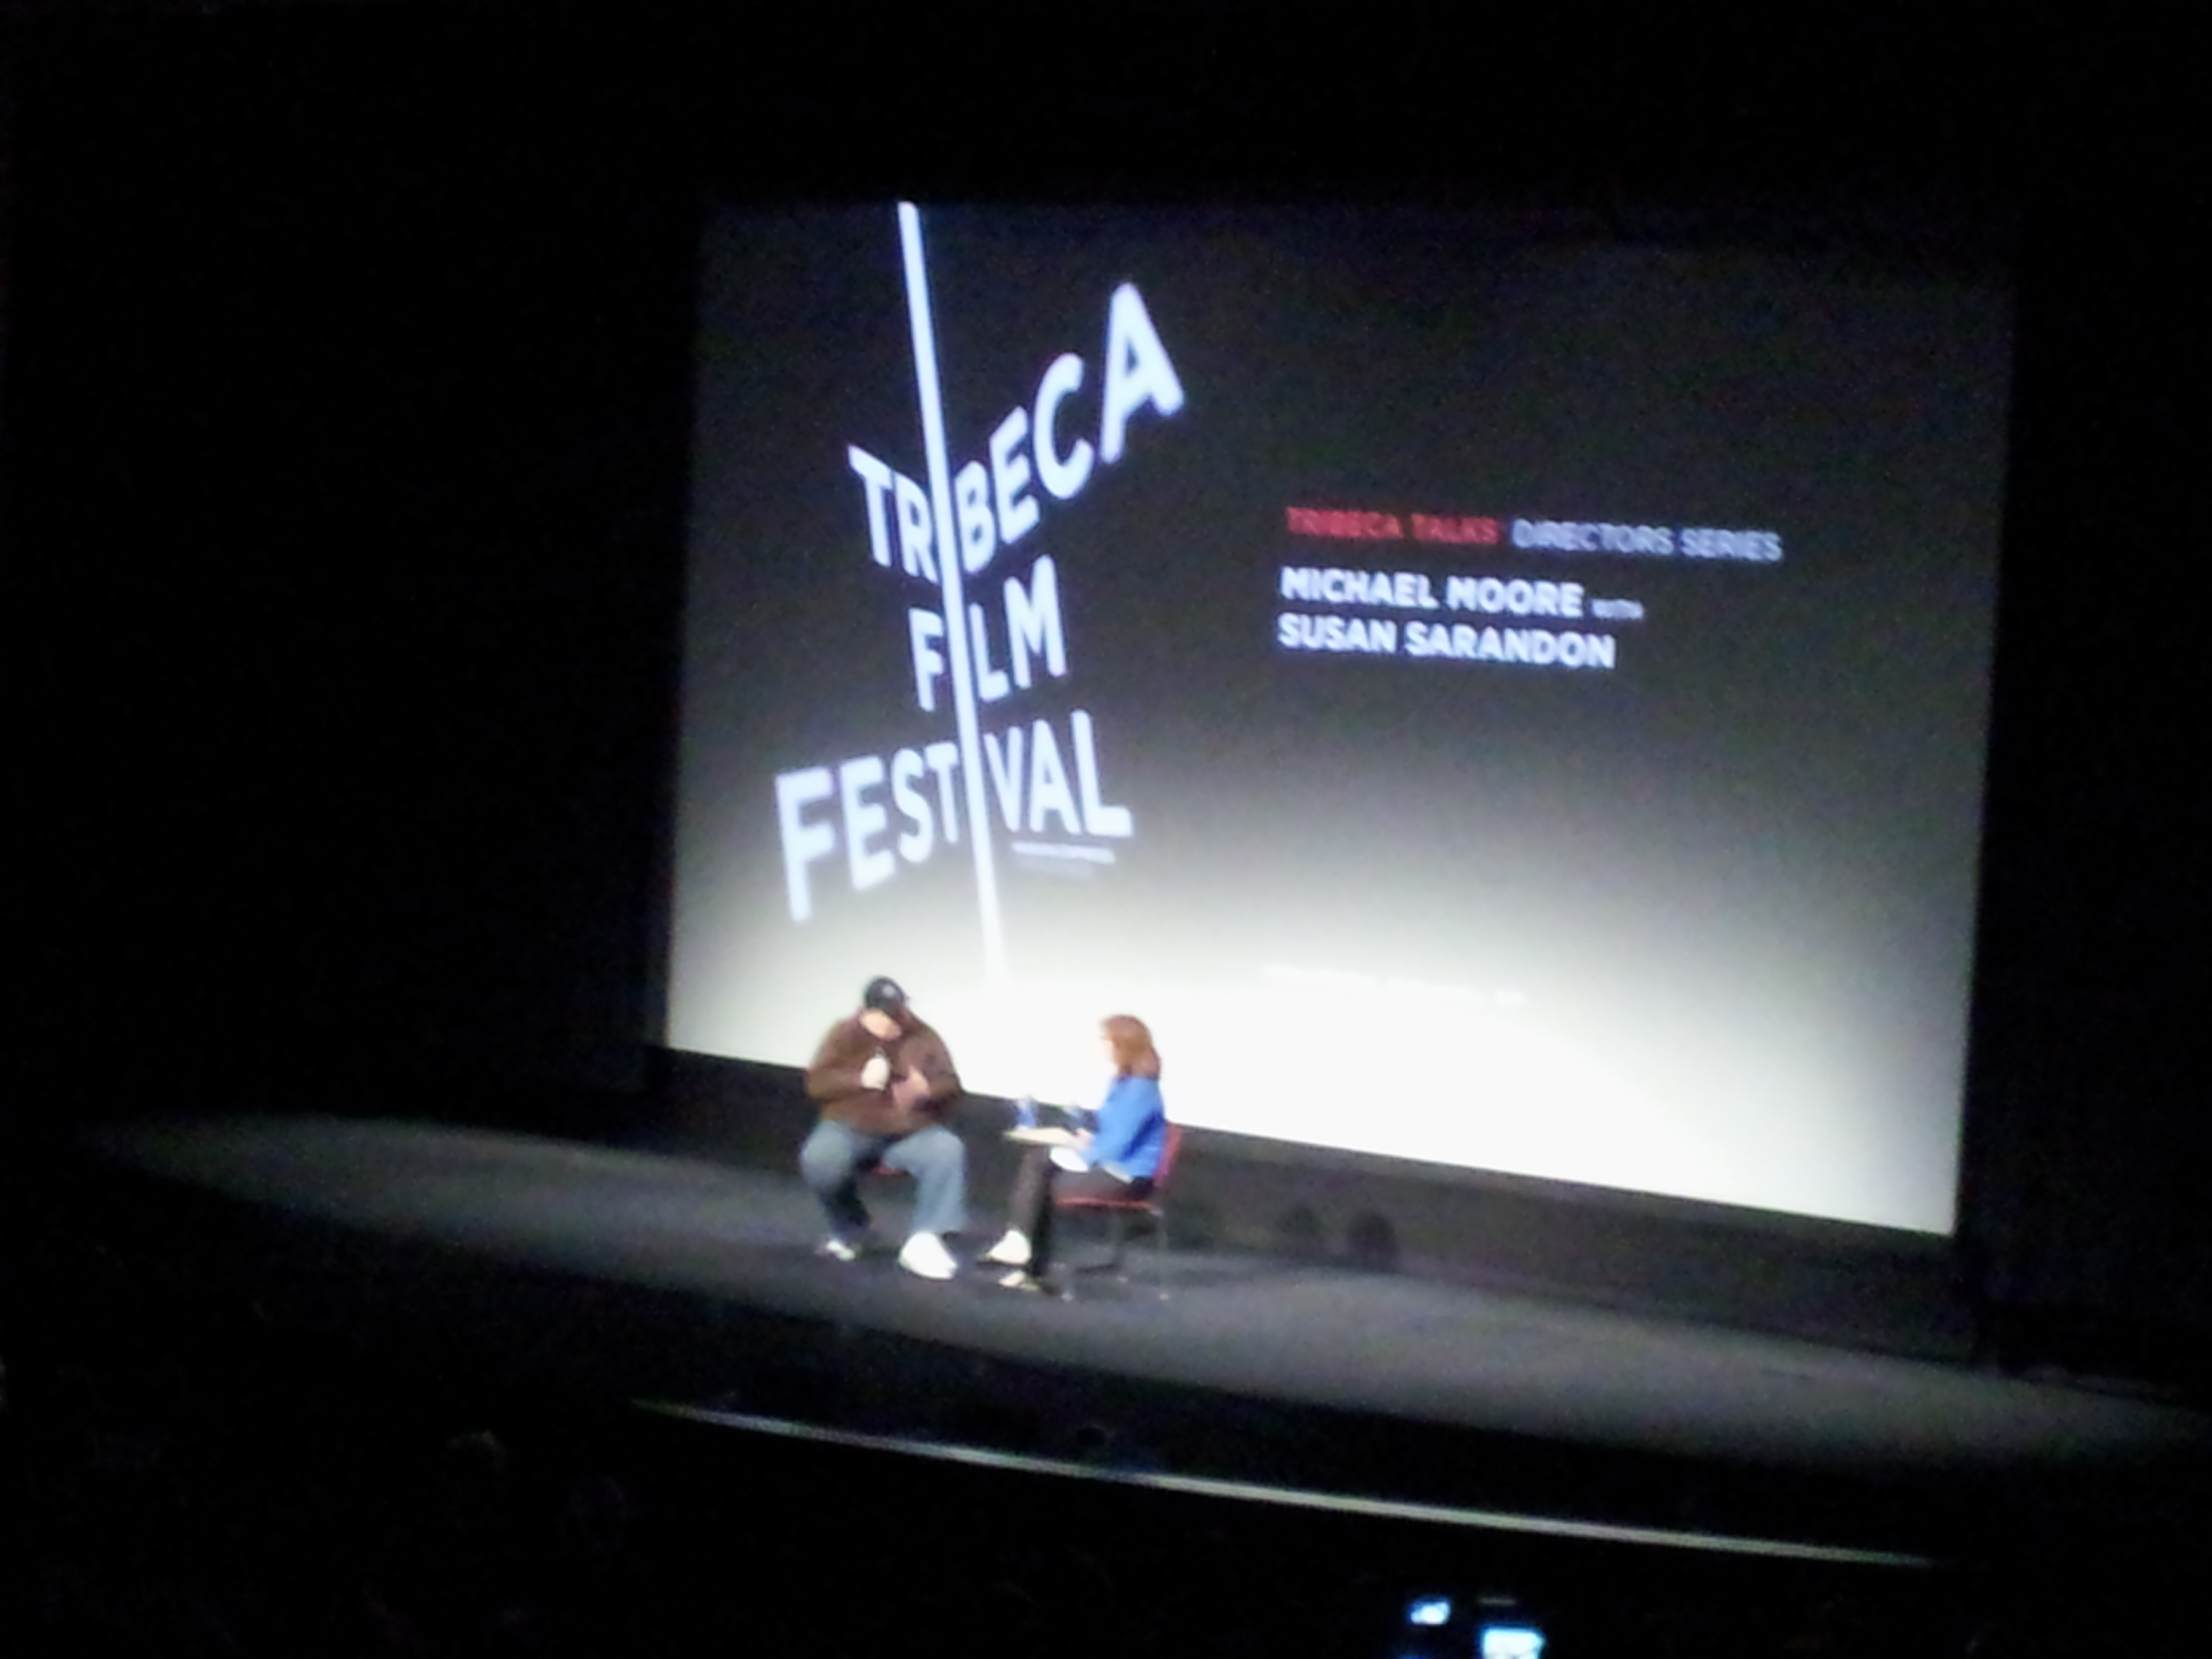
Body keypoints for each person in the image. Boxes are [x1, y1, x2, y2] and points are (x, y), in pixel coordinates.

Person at [983, 1014, 1169, 1291]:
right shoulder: (1121, 1082)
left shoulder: (1141, 1090)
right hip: (1108, 1165)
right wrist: (1086, 1139)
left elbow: (1117, 1145)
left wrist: (1080, 1154)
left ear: (1123, 1044)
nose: (1102, 1045)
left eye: (1105, 1039)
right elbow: (1110, 1132)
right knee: (1039, 1161)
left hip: (1128, 1178)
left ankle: (1030, 1262)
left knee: (1046, 1182)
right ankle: (1024, 1252)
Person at [799, 975, 967, 1279]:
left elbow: (952, 1085)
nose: (895, 1021)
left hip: (909, 1132)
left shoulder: (924, 1036)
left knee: (946, 1149)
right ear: (866, 1013)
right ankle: (853, 1228)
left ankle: (925, 1238)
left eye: (898, 1012)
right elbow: (817, 1083)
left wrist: (926, 1090)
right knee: (820, 1159)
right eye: (886, 1015)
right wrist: (859, 1080)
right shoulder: (844, 1034)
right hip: (852, 1127)